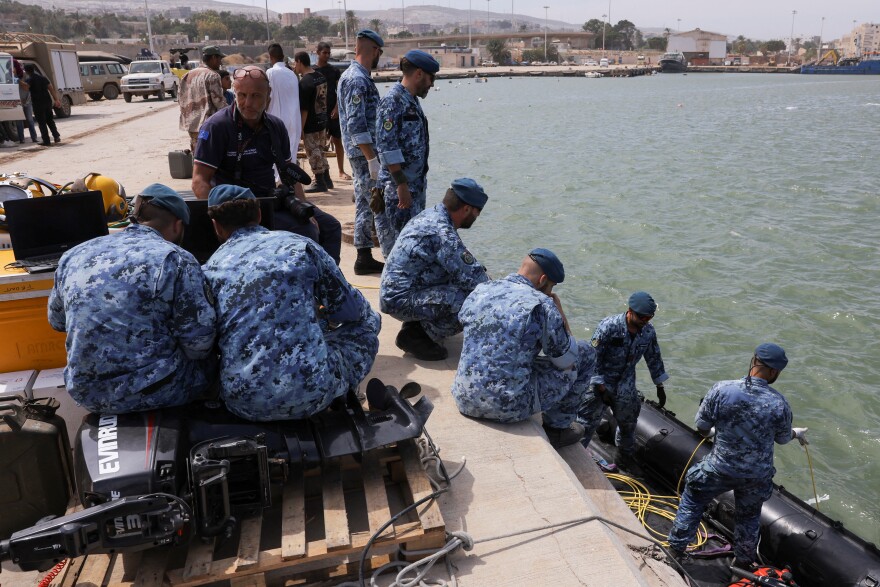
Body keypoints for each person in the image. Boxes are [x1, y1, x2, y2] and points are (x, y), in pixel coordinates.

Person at [202, 185, 381, 421]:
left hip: (243, 402)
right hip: (313, 393)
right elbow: (352, 311)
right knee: (369, 320)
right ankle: (344, 390)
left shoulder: (208, 270)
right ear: (259, 214)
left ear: (216, 226)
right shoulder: (300, 247)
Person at [47, 184, 217, 414]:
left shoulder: (75, 254)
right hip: (158, 391)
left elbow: (57, 321)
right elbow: (199, 344)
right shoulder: (176, 259)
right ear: (177, 225)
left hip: (88, 393)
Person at [666, 343, 809, 571]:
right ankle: (741, 565)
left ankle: (675, 550)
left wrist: (713, 433)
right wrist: (795, 433)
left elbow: (702, 426)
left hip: (721, 467)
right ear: (774, 372)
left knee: (693, 498)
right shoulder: (779, 404)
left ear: (754, 361)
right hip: (756, 476)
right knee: (749, 517)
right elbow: (782, 439)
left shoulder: (722, 389)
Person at [192, 65, 342, 264]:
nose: (248, 103)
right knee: (305, 231)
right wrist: (223, 218)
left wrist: (304, 207)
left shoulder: (275, 127)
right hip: (238, 209)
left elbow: (290, 173)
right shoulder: (217, 127)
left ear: (268, 96)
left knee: (330, 226)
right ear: (234, 94)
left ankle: (328, 285)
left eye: (256, 96)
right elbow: (199, 181)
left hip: (269, 201)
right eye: (242, 95)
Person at [452, 249, 596, 448]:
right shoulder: (544, 304)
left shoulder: (482, 289)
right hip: (508, 407)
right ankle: (557, 428)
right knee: (586, 353)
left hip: (464, 398)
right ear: (543, 279)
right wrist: (560, 314)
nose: (550, 292)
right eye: (551, 286)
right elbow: (566, 360)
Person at [381, 178, 489, 361]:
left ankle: (417, 326)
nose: (477, 217)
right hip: (400, 300)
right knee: (475, 300)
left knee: (464, 280)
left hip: (399, 292)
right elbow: (478, 281)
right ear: (467, 209)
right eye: (477, 212)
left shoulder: (432, 215)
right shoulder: (442, 232)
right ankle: (418, 336)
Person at [578, 291, 669, 464]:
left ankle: (623, 459)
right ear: (630, 311)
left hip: (625, 384)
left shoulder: (647, 332)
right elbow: (593, 357)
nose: (645, 321)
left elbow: (654, 357)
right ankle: (576, 458)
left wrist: (660, 385)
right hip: (599, 382)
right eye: (642, 317)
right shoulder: (609, 327)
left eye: (648, 318)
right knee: (586, 422)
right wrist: (600, 386)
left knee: (628, 423)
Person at [374, 50, 438, 257]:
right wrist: (401, 184)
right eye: (431, 78)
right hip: (397, 190)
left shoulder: (411, 101)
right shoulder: (393, 102)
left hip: (413, 189)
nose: (432, 84)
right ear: (418, 74)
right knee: (398, 253)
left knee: (411, 250)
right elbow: (387, 146)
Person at [338, 29, 385, 275]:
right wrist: (372, 159)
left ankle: (364, 255)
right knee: (375, 203)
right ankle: (371, 255)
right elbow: (356, 123)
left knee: (365, 204)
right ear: (374, 50)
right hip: (364, 154)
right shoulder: (357, 79)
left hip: (361, 153)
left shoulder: (355, 76)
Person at [293, 51, 330, 193]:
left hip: (311, 123)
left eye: (295, 63)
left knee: (313, 151)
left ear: (299, 61)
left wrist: (301, 128)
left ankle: (319, 181)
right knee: (321, 150)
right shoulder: (320, 76)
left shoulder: (305, 82)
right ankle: (327, 179)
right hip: (322, 120)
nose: (294, 67)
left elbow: (305, 109)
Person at [314, 42, 351, 181]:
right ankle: (322, 172)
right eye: (324, 53)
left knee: (337, 140)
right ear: (317, 52)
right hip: (319, 112)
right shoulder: (312, 71)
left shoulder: (334, 71)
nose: (327, 55)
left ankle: (341, 171)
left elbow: (340, 92)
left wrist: (337, 108)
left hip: (333, 111)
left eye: (329, 53)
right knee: (320, 143)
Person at [178, 46, 226, 152]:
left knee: (197, 155)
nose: (220, 62)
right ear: (213, 57)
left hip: (191, 124)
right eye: (219, 59)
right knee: (211, 155)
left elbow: (180, 100)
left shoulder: (186, 75)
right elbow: (219, 103)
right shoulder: (213, 75)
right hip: (208, 125)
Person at [266, 44, 301, 175]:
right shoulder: (292, 74)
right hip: (293, 121)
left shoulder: (270, 73)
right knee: (290, 156)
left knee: (276, 157)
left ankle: (279, 185)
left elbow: (267, 97)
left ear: (271, 57)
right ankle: (289, 185)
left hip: (276, 120)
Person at [23, 63, 60, 147]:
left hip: (38, 103)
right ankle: (56, 136)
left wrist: (18, 81)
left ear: (26, 71)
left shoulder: (30, 79)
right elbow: (51, 88)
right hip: (47, 102)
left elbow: (26, 88)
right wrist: (56, 99)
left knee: (42, 122)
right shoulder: (43, 78)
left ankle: (46, 141)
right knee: (50, 120)